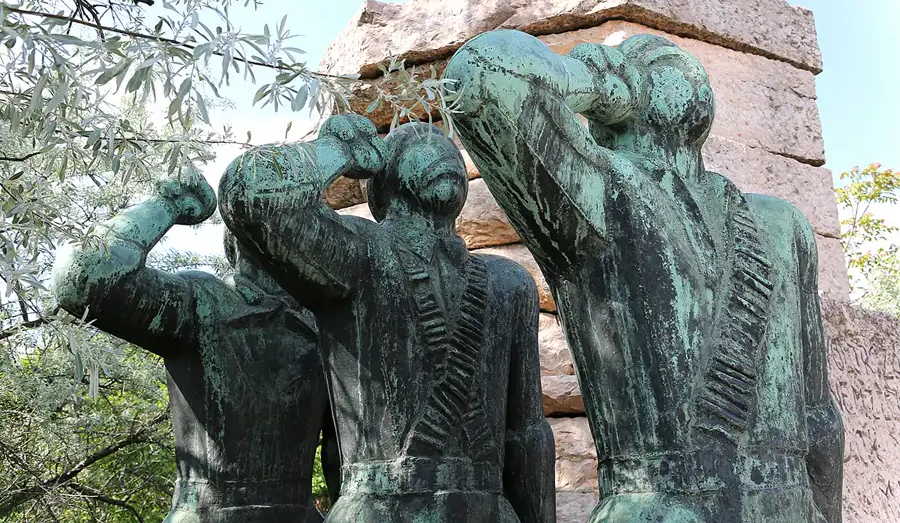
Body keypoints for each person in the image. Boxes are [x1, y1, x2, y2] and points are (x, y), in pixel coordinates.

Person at [443, 29, 844, 523]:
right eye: (644, 61)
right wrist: (595, 78)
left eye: (668, 57)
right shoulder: (602, 194)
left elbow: (819, 418)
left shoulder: (782, 226)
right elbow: (481, 74)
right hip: (659, 507)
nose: (671, 61)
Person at [218, 117, 555, 523]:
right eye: (412, 145)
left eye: (444, 144)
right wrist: (339, 152)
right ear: (382, 184)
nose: (435, 146)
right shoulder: (360, 255)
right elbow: (252, 196)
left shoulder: (509, 282)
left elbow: (527, 434)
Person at [51, 174, 339, 523]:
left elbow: (339, 460)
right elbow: (85, 278)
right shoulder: (206, 301)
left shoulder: (324, 331)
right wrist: (167, 203)